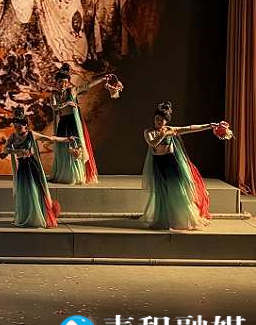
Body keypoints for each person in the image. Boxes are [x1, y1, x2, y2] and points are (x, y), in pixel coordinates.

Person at [141, 101, 229, 230]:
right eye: (157, 119)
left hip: (172, 163)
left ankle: (185, 218)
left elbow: (190, 128)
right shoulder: (149, 131)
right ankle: (167, 218)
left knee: (178, 191)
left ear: (166, 121)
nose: (158, 121)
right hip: (159, 164)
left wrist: (209, 125)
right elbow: (152, 143)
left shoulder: (171, 130)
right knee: (163, 192)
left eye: (161, 120)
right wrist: (164, 134)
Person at [48, 63, 121, 184]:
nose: (62, 84)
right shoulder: (54, 95)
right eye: (60, 82)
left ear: (68, 83)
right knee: (63, 148)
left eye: (65, 82)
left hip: (73, 122)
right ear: (56, 82)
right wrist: (67, 103)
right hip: (63, 123)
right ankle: (65, 174)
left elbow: (87, 85)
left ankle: (77, 175)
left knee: (76, 147)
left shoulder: (72, 91)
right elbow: (55, 107)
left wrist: (102, 79)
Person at [0, 106, 68, 228]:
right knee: (24, 192)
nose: (17, 129)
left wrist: (66, 139)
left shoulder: (31, 134)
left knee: (34, 191)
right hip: (22, 167)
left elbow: (50, 138)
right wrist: (17, 151)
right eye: (15, 126)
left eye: (19, 126)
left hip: (31, 166)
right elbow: (5, 150)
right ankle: (26, 216)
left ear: (25, 125)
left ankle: (37, 216)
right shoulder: (13, 137)